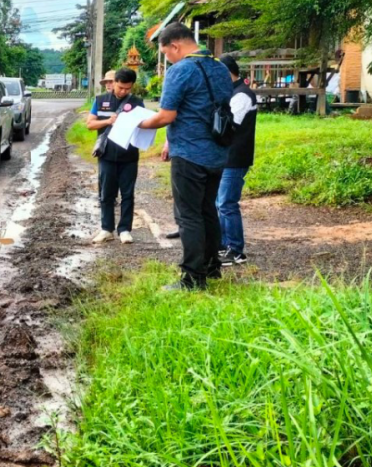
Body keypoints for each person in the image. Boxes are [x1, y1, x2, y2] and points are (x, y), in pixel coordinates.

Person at [138, 23, 233, 290]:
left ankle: (192, 278)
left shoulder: (180, 71)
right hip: (217, 153)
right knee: (207, 211)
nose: (166, 58)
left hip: (190, 154)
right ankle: (212, 267)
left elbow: (166, 116)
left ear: (175, 46)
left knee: (188, 216)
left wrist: (139, 124)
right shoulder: (220, 68)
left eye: (165, 52)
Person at [87, 68, 145, 244]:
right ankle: (106, 229)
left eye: (128, 88)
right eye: (120, 87)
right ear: (113, 84)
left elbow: (144, 125)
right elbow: (90, 124)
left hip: (129, 156)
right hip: (107, 155)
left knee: (128, 194)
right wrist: (107, 121)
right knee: (106, 194)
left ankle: (125, 229)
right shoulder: (100, 100)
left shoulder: (137, 103)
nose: (123, 91)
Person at [216, 55, 257, 266]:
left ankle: (236, 249)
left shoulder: (242, 95)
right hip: (227, 157)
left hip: (236, 157)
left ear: (226, 73)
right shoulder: (233, 92)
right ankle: (224, 244)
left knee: (227, 203)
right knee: (219, 202)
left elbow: (230, 125)